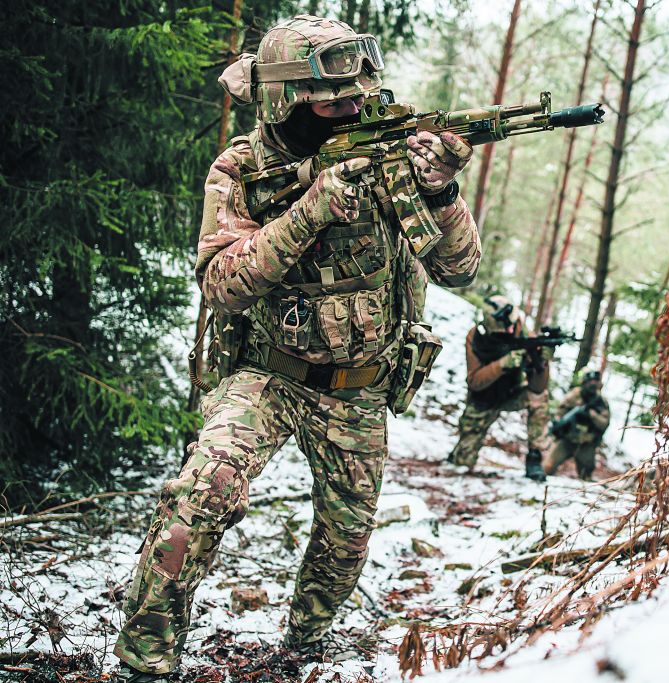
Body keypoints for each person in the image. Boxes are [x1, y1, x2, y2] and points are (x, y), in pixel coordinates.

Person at [114, 15, 481, 682]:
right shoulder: (243, 169)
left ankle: (304, 643)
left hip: (359, 387)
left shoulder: (385, 154)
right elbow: (224, 284)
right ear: (286, 100)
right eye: (334, 101)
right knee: (204, 490)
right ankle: (147, 656)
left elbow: (459, 269)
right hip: (270, 372)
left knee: (347, 539)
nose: (353, 109)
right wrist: (311, 209)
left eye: (359, 96)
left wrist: (442, 191)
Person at [448, 295, 551, 482]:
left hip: (511, 394)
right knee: (462, 463)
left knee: (539, 397)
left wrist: (542, 362)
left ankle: (535, 457)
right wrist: (503, 364)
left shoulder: (521, 331)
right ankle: (460, 450)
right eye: (507, 327)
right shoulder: (476, 337)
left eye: (513, 325)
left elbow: (538, 387)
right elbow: (474, 381)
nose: (512, 329)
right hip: (483, 400)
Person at [543, 367, 610, 481]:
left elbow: (604, 423)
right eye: (590, 381)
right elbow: (560, 414)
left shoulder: (601, 402)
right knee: (546, 468)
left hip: (586, 444)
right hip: (567, 440)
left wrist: (592, 415)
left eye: (595, 381)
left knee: (586, 477)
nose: (592, 384)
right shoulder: (574, 396)